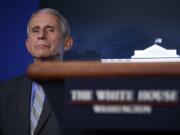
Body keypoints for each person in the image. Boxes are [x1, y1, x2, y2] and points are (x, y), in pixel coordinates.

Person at [0, 8, 73, 135]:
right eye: (35, 30)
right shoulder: (3, 92)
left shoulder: (83, 92)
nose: (41, 35)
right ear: (28, 45)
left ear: (67, 43)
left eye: (50, 29)